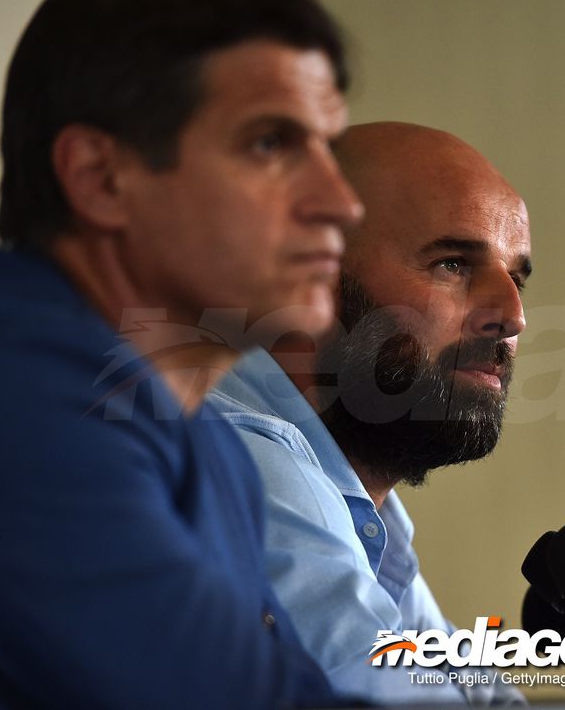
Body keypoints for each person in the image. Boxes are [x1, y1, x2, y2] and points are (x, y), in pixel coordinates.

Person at [0, 0, 362, 708]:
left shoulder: (206, 438)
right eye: (271, 142)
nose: (341, 201)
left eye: (328, 148)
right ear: (101, 179)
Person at [208, 122, 530, 704]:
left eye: (517, 278)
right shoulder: (234, 456)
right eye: (453, 264)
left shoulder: (359, 503)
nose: (511, 315)